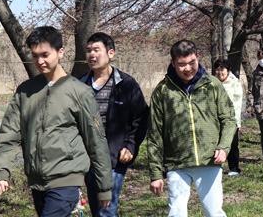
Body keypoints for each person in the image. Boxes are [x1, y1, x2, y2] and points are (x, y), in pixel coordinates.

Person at [0, 26, 113, 217]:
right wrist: (1, 171)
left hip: (66, 180)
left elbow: (96, 141)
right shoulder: (25, 91)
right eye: (35, 56)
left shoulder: (79, 92)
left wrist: (104, 186)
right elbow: (9, 133)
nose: (40, 61)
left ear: (60, 52)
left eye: (45, 55)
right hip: (37, 182)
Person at [147, 40, 236, 217]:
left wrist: (224, 147)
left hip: (209, 161)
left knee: (214, 212)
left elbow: (228, 119)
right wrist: (155, 173)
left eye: (192, 62)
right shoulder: (162, 91)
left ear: (198, 58)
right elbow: (154, 134)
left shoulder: (212, 85)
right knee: (176, 213)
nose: (188, 68)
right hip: (177, 163)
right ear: (172, 63)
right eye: (182, 64)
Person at [79, 32, 149, 217]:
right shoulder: (80, 85)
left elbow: (141, 117)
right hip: (86, 158)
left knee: (106, 211)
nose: (92, 54)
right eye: (88, 50)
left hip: (113, 158)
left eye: (96, 50)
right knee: (97, 210)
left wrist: (130, 145)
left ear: (111, 53)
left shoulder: (126, 85)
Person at [213, 58, 243, 176]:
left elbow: (237, 105)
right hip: (215, 120)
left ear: (228, 70)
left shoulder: (234, 83)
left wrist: (236, 122)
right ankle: (215, 167)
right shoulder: (212, 83)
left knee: (232, 144)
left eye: (222, 69)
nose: (220, 72)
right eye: (217, 69)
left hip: (231, 119)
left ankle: (234, 168)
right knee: (215, 143)